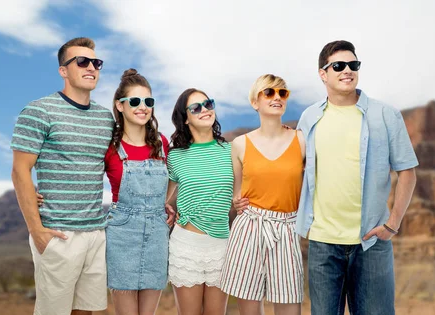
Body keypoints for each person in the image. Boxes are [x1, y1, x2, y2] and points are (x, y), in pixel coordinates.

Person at [295, 40, 419, 315]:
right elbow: (294, 167)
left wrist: (393, 223)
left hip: (372, 242)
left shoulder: (385, 114)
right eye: (338, 66)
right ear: (323, 74)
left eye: (353, 65)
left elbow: (407, 173)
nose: (347, 70)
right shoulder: (310, 117)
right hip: (323, 243)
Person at [11, 37, 113, 315]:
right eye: (82, 61)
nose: (91, 67)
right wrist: (36, 230)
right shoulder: (39, 111)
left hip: (95, 231)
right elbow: (20, 169)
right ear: (63, 70)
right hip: (58, 233)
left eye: (96, 62)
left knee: (86, 310)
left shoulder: (106, 119)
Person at [221, 74, 305, 315]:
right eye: (269, 92)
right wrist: (237, 201)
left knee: (290, 306)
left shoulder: (301, 140)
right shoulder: (240, 144)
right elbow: (238, 193)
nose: (277, 97)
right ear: (255, 102)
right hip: (250, 228)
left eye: (282, 93)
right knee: (249, 309)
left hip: (287, 229)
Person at [104, 69, 171, 314]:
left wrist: (167, 202)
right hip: (122, 234)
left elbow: (175, 178)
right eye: (134, 101)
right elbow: (84, 178)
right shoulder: (110, 146)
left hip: (157, 234)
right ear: (119, 106)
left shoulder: (162, 143)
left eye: (148, 102)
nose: (142, 107)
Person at [166, 88, 232, 315]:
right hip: (186, 246)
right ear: (185, 118)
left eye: (208, 104)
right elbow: (162, 198)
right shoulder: (175, 156)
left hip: (222, 246)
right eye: (196, 107)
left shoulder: (232, 151)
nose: (204, 110)